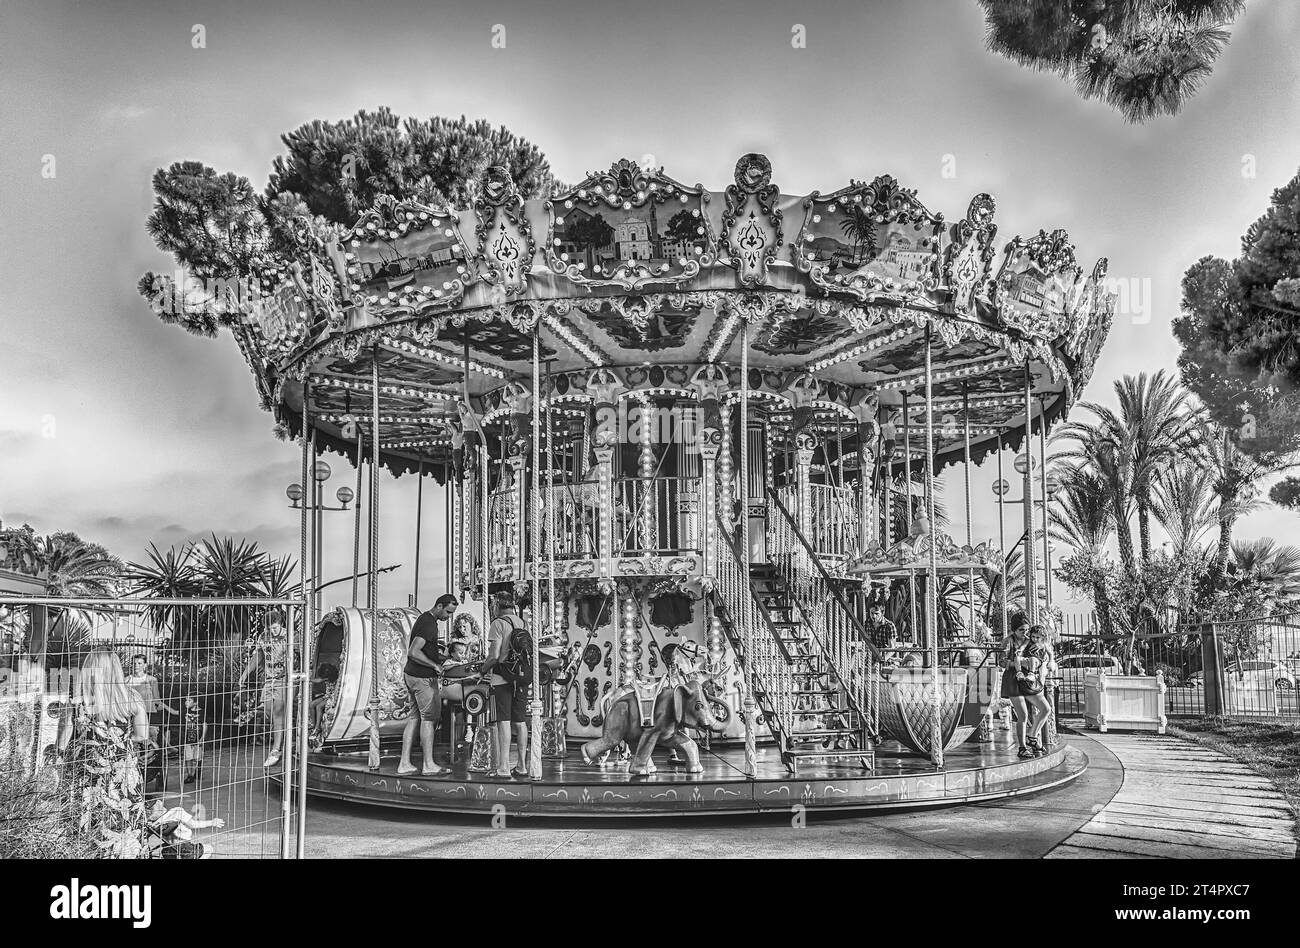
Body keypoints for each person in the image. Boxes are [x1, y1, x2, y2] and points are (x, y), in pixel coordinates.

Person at [56, 648, 151, 857]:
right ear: (116, 670)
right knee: (123, 822)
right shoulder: (132, 697)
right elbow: (142, 735)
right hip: (123, 775)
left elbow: (63, 739)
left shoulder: (77, 701)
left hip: (86, 776)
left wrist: (61, 756)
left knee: (86, 822)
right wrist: (117, 744)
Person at [398, 594, 458, 776]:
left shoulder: (424, 620)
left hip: (412, 675)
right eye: (448, 612)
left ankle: (404, 763)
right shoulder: (429, 624)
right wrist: (435, 666)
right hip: (422, 678)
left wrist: (442, 658)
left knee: (414, 718)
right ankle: (428, 764)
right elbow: (414, 652)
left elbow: (423, 651)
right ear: (439, 605)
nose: (449, 617)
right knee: (428, 719)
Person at [481, 588, 529, 780]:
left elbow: (494, 656)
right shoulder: (523, 622)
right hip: (521, 676)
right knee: (520, 721)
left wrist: (483, 670)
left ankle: (503, 767)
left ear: (496, 605)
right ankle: (522, 766)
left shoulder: (498, 624)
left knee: (504, 721)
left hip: (502, 677)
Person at [238, 609, 290, 768]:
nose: (272, 631)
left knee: (277, 711)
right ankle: (281, 736)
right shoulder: (263, 637)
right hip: (269, 679)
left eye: (274, 628)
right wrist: (245, 673)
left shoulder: (289, 636)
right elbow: (258, 656)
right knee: (267, 710)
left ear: (280, 624)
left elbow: (296, 656)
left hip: (284, 679)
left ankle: (276, 749)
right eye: (269, 629)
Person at [147, 800, 224, 859]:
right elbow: (192, 824)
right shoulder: (176, 812)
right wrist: (211, 822)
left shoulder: (152, 825)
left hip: (168, 851)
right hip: (186, 848)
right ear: (159, 802)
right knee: (209, 848)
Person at [180, 693, 207, 785]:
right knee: (188, 758)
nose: (186, 702)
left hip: (198, 739)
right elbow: (175, 712)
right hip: (187, 739)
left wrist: (202, 738)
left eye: (189, 700)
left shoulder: (202, 712)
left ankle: (197, 772)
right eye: (186, 700)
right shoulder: (185, 711)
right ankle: (190, 775)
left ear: (196, 702)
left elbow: (204, 724)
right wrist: (164, 705)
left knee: (197, 757)